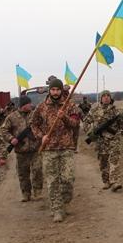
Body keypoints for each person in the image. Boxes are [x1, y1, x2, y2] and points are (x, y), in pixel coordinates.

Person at [30, 78, 81, 222]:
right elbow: (34, 125)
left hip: (66, 147)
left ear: (61, 90)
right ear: (49, 90)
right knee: (52, 181)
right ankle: (57, 209)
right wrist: (42, 136)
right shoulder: (41, 107)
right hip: (49, 149)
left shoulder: (70, 106)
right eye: (53, 90)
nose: (55, 92)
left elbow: (75, 123)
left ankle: (64, 202)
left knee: (68, 178)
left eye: (58, 89)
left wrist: (63, 116)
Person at [1, 95, 43, 202]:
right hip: (21, 150)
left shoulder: (35, 115)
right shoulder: (11, 117)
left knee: (37, 170)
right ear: (23, 105)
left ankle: (37, 192)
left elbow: (43, 125)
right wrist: (11, 139)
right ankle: (26, 194)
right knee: (23, 173)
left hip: (35, 149)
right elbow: (3, 130)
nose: (31, 105)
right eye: (29, 103)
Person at [83, 90, 123, 191]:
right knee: (103, 162)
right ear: (101, 98)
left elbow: (122, 126)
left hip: (114, 139)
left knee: (114, 159)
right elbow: (86, 123)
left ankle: (115, 181)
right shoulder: (94, 110)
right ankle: (106, 181)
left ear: (110, 98)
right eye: (104, 96)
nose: (106, 97)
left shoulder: (116, 110)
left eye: (108, 96)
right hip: (101, 140)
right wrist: (92, 132)